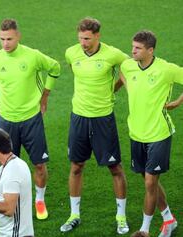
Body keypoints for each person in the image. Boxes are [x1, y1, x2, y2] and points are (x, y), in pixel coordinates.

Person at [0, 19, 60, 220]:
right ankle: (10, 201)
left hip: (31, 119)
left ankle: (39, 200)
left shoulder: (32, 56)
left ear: (18, 36)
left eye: (9, 39)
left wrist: (45, 96)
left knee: (39, 164)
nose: (5, 43)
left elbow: (55, 68)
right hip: (6, 121)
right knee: (8, 165)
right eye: (2, 39)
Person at [60, 17, 129, 234]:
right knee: (76, 166)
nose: (84, 43)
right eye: (81, 38)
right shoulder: (71, 52)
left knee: (115, 168)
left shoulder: (113, 54)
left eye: (88, 39)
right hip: (78, 117)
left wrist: (114, 87)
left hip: (103, 119)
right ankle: (74, 214)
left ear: (98, 35)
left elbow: (128, 69)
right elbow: (74, 70)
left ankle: (121, 216)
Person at [120, 30, 182, 237]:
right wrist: (130, 88)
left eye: (138, 48)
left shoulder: (166, 69)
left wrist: (178, 101)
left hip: (158, 133)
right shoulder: (129, 65)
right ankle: (168, 218)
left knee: (150, 181)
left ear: (150, 50)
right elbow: (122, 71)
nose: (133, 51)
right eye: (133, 47)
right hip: (136, 133)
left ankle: (144, 230)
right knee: (148, 180)